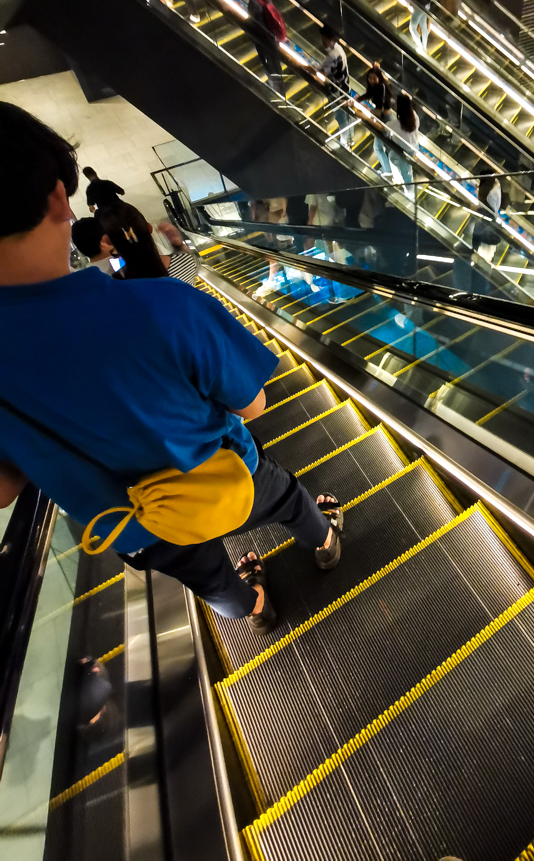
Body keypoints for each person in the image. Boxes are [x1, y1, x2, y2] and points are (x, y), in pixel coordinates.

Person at [0, 102, 343, 634]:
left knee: (208, 579)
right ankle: (323, 542)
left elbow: (3, 489)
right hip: (223, 477)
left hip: (129, 528)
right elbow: (252, 403)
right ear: (58, 199)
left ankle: (254, 608)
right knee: (285, 497)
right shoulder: (164, 306)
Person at [311, 24, 353, 144]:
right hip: (345, 88)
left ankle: (345, 142)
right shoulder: (339, 50)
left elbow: (322, 73)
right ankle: (348, 139)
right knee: (345, 116)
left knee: (340, 117)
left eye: (324, 38)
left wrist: (314, 70)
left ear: (330, 39)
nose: (322, 41)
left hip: (337, 92)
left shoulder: (333, 55)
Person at [245, 0, 286, 91]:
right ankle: (281, 90)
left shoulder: (253, 2)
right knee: (276, 64)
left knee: (267, 64)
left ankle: (275, 89)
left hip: (262, 38)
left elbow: (257, 23)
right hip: (272, 37)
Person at [361, 64, 394, 176]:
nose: (371, 81)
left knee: (378, 146)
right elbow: (368, 95)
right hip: (385, 119)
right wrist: (357, 99)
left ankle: (387, 170)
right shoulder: (377, 88)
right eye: (370, 78)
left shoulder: (380, 88)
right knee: (386, 146)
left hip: (384, 121)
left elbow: (380, 110)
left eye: (374, 78)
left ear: (379, 78)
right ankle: (390, 169)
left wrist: (367, 113)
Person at [388, 93, 418, 194]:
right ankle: (397, 179)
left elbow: (384, 127)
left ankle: (410, 196)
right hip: (413, 147)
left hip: (404, 151)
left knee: (407, 174)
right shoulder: (413, 115)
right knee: (392, 156)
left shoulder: (397, 123)